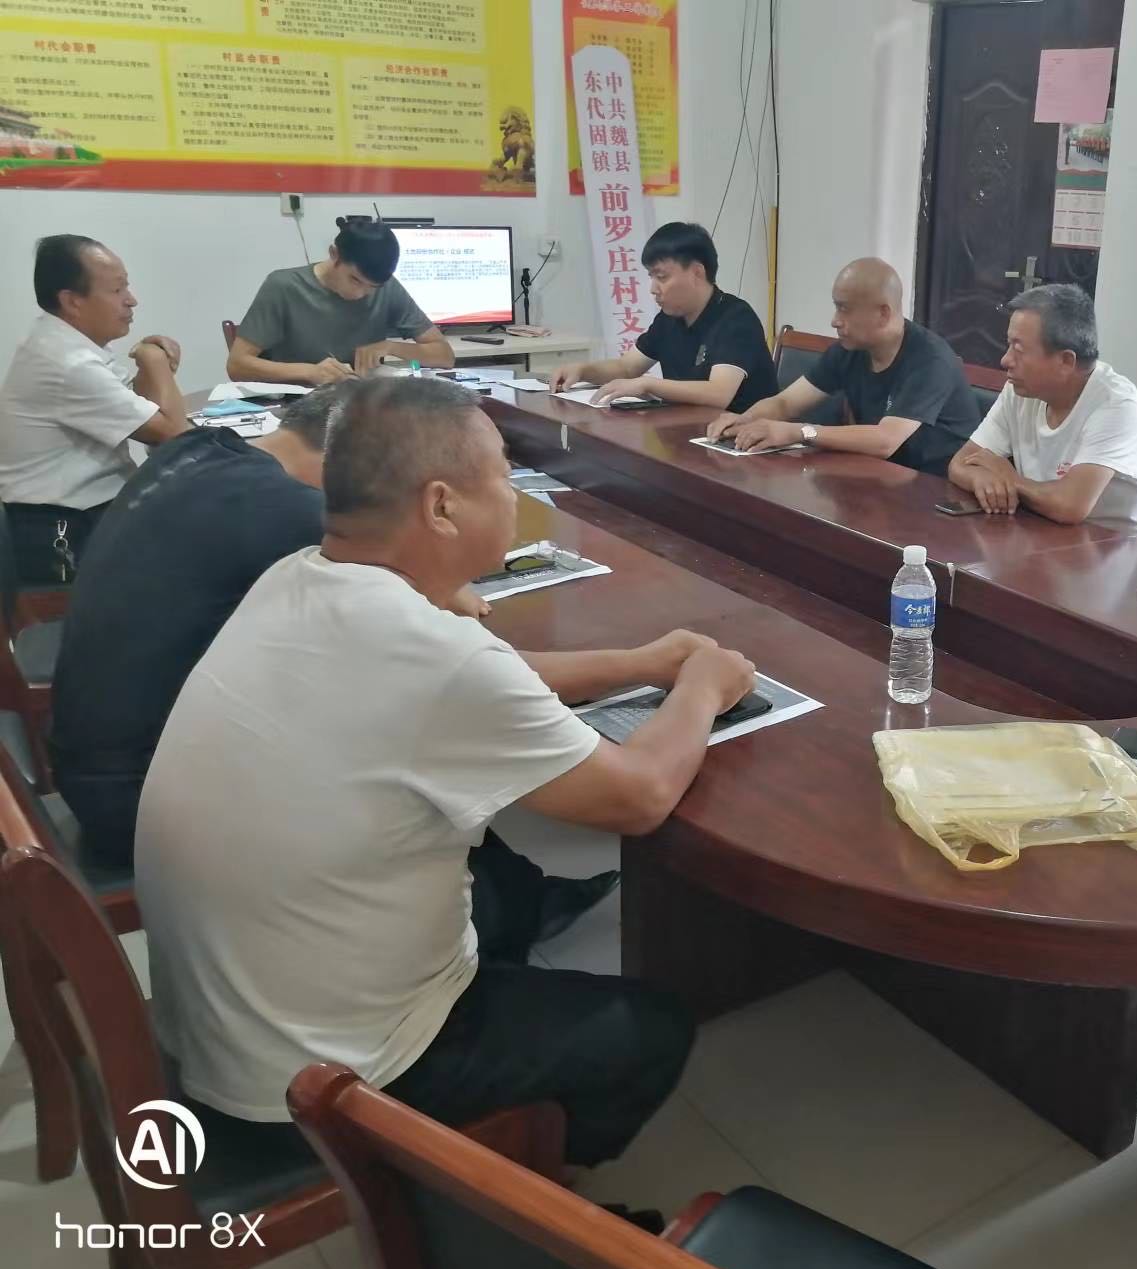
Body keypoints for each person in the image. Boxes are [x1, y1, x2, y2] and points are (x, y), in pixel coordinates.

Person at [136, 377, 755, 1165]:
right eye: (502, 474)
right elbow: (639, 796)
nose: (515, 493)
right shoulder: (432, 654)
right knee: (649, 1030)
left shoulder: (299, 576)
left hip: (230, 1026)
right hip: (316, 1085)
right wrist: (703, 688)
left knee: (503, 894)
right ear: (441, 505)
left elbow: (480, 678)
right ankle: (520, 1192)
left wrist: (639, 663)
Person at [56, 384, 621, 960]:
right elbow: (443, 647)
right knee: (406, 747)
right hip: (141, 800)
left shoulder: (200, 450)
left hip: (101, 760)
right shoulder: (295, 514)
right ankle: (504, 921)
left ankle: (517, 894)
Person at [0, 234, 187, 583]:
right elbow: (174, 435)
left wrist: (149, 363)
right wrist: (154, 360)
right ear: (72, 301)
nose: (131, 300)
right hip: (63, 531)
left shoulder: (66, 343)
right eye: (117, 290)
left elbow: (140, 408)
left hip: (91, 513)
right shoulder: (68, 363)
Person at [706, 258, 981, 476]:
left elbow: (886, 440)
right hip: (879, 475)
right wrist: (745, 420)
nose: (834, 321)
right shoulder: (850, 350)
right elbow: (785, 403)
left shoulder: (930, 360)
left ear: (883, 313)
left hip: (935, 489)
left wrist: (799, 432)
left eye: (844, 309)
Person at [946, 283, 1137, 534]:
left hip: (1130, 546)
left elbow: (1070, 506)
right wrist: (982, 478)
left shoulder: (1119, 407)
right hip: (1047, 528)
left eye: (1018, 349)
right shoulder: (1020, 389)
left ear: (1066, 361)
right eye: (1008, 345)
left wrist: (1009, 479)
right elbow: (960, 463)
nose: (1005, 360)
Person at [546, 222, 778, 412]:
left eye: (662, 277)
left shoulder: (736, 319)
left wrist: (649, 384)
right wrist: (583, 370)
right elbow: (626, 367)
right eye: (651, 277)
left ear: (697, 273)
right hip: (688, 431)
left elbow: (718, 393)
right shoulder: (670, 318)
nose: (653, 289)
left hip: (743, 440)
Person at [227, 218, 452, 385]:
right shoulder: (284, 287)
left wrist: (391, 347)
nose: (361, 293)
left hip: (361, 406)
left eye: (372, 287)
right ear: (334, 254)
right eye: (355, 280)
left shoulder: (387, 288)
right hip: (298, 407)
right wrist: (310, 372)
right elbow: (237, 365)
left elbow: (444, 355)